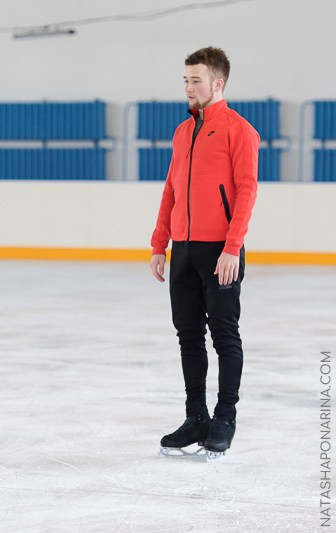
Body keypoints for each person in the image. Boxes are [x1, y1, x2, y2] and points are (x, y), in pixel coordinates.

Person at [150, 47, 259, 458]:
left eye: (196, 80)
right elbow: (171, 190)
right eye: (185, 80)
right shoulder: (182, 132)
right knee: (188, 336)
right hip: (183, 249)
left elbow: (247, 191)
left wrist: (232, 248)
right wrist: (160, 243)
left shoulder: (239, 130)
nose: (188, 87)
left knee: (224, 336)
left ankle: (224, 419)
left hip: (221, 252)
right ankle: (195, 417)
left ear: (218, 83)